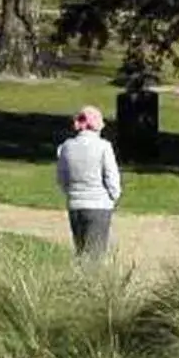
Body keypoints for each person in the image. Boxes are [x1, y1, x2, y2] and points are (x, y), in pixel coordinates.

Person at [55, 105, 121, 257]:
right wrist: (113, 197)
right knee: (95, 256)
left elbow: (61, 178)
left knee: (80, 251)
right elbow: (112, 177)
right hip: (99, 205)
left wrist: (71, 194)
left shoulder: (66, 147)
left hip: (75, 205)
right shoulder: (104, 147)